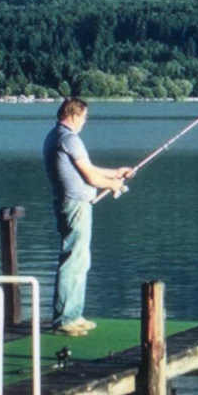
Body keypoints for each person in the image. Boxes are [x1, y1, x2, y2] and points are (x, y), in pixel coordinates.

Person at [43, 97, 133, 335]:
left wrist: (115, 174)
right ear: (73, 115)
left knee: (80, 260)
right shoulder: (71, 139)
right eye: (84, 117)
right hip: (75, 206)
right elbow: (92, 179)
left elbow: (89, 170)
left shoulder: (55, 136)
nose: (85, 122)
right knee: (73, 260)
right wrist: (114, 185)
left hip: (71, 204)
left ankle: (73, 314)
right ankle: (64, 320)